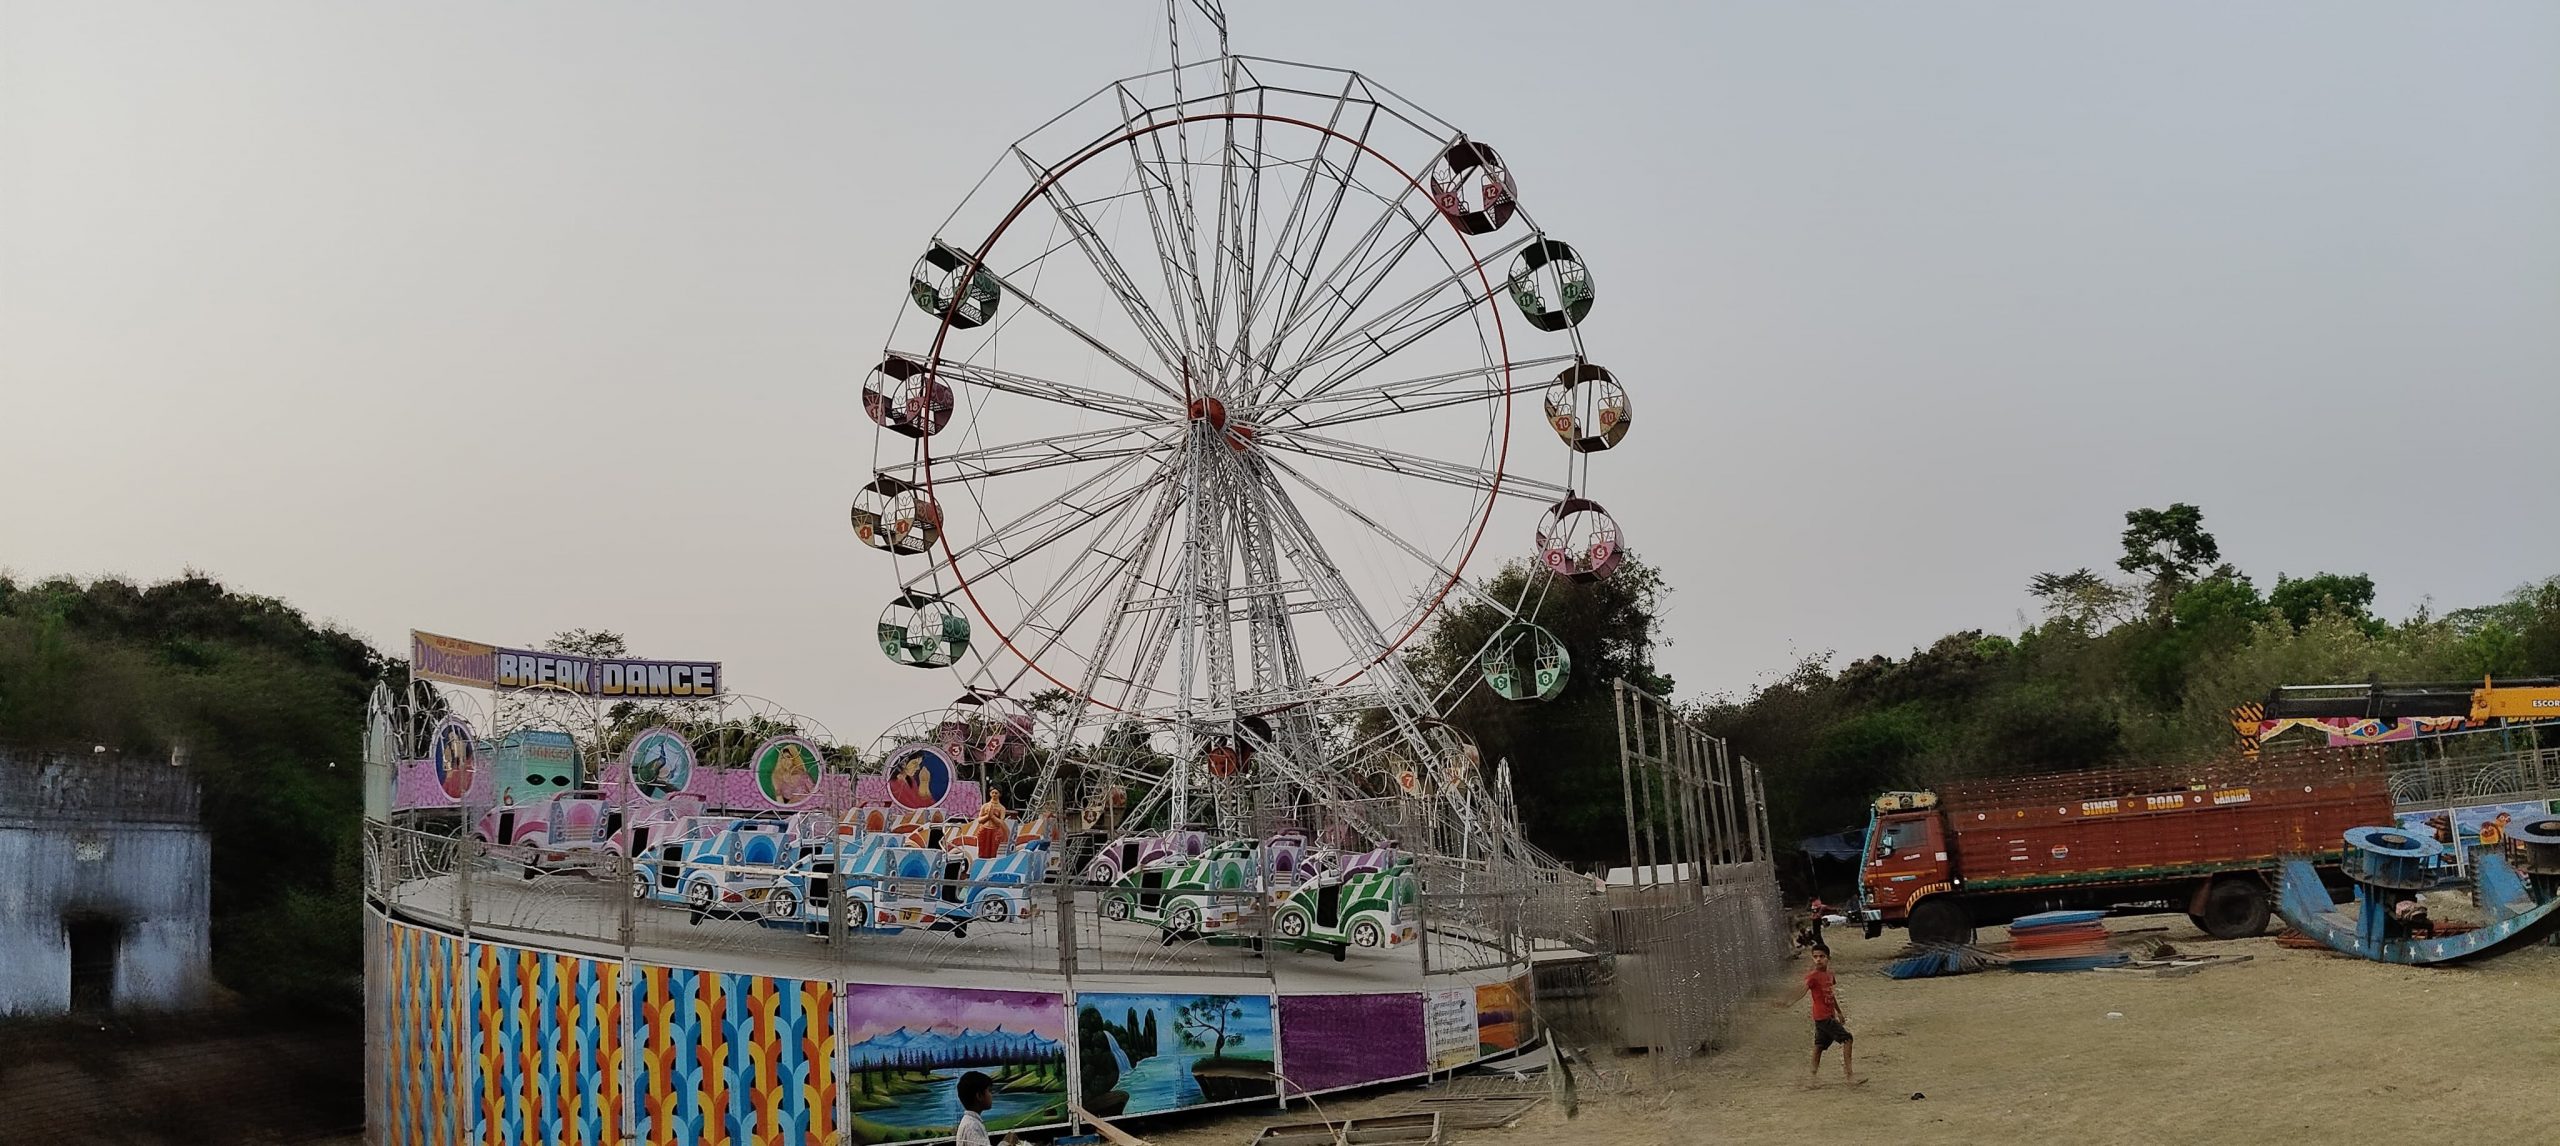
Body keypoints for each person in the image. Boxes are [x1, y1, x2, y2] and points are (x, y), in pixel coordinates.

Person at [1773, 944, 1857, 1086]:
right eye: (1815, 957)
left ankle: (1812, 1078)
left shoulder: (1829, 975)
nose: (1818, 959)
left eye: (1821, 956)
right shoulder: (1813, 977)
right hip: (1823, 1017)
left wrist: (1839, 1012)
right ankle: (1850, 1076)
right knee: (1848, 1039)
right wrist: (1789, 1002)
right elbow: (1803, 989)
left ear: (1828, 958)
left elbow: (1830, 994)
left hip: (1826, 1016)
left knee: (1819, 1046)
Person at [954, 1069, 994, 1146]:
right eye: (989, 1091)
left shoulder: (970, 1122)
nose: (991, 1095)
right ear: (979, 1096)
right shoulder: (972, 1127)